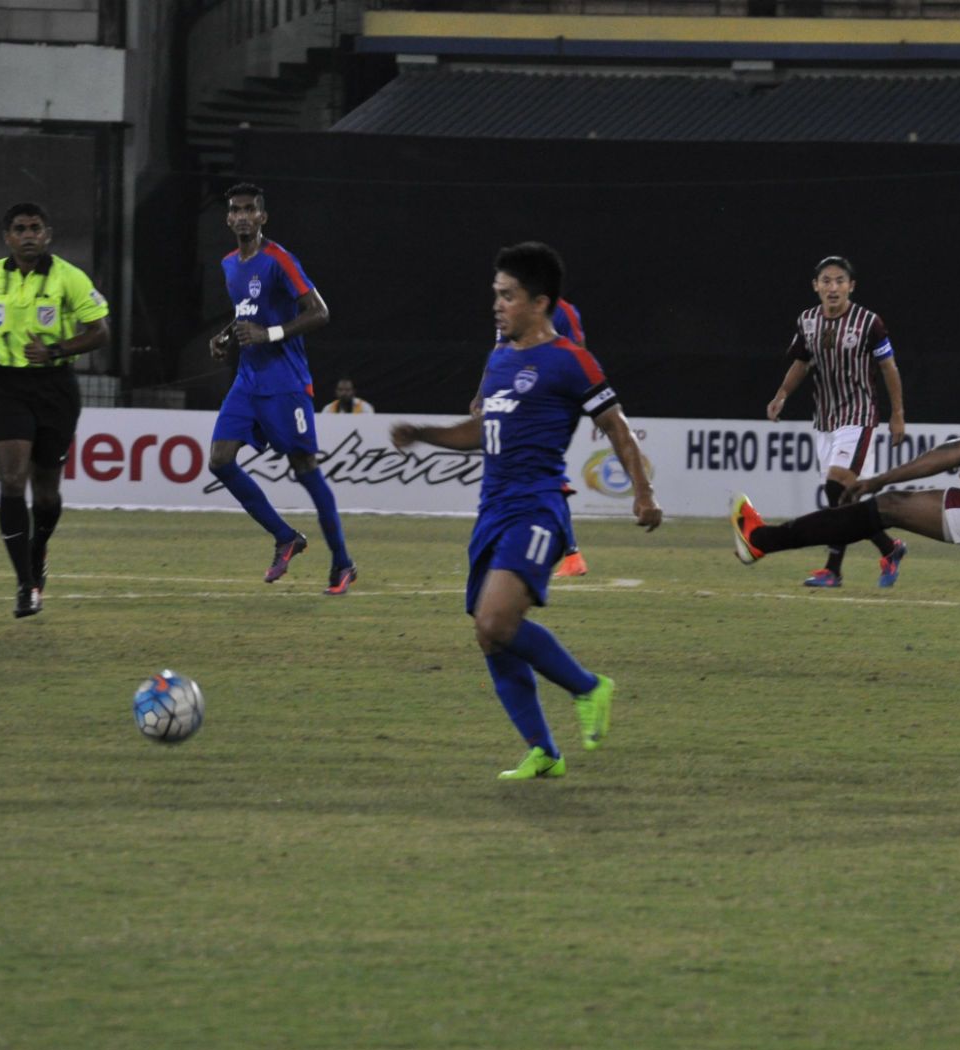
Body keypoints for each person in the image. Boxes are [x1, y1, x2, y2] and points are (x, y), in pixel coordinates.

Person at [734, 310, 960, 781]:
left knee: (892, 508)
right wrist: (880, 478)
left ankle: (762, 539)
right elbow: (956, 451)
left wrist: (885, 488)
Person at [391, 242, 661, 780]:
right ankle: (543, 751)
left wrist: (643, 492)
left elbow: (618, 428)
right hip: (492, 510)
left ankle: (590, 687)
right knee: (489, 634)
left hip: (537, 508)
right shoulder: (498, 358)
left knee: (497, 618)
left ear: (540, 303)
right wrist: (425, 434)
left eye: (508, 296)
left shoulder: (569, 361)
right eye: (495, 294)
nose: (497, 305)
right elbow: (481, 433)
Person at [206, 182, 355, 596]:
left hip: (286, 383)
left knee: (305, 470)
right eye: (235, 210)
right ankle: (285, 536)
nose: (241, 216)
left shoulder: (279, 259)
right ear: (228, 218)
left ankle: (342, 562)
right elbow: (245, 314)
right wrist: (225, 337)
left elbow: (319, 312)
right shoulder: (229, 264)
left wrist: (269, 333)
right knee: (219, 461)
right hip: (247, 382)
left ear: (262, 217)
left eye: (249, 209)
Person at [0, 202, 111, 618]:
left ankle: (38, 548)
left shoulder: (69, 278)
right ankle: (25, 584)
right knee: (12, 478)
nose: (28, 234)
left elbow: (100, 332)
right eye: (19, 228)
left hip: (55, 388)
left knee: (45, 492)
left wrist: (57, 350)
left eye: (35, 228)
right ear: (6, 237)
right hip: (7, 385)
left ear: (47, 235)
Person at [766, 255, 909, 589]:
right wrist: (782, 394)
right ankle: (888, 548)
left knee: (836, 486)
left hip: (859, 417)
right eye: (826, 281)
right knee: (842, 501)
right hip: (825, 421)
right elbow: (802, 362)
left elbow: (889, 368)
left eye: (839, 281)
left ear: (851, 286)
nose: (833, 287)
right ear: (816, 286)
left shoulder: (869, 323)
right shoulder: (808, 321)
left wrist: (897, 414)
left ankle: (834, 569)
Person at [474, 297, 591, 580]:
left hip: (547, 402)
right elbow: (499, 351)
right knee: (520, 472)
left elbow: (580, 355)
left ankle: (570, 553)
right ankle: (562, 552)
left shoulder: (562, 311)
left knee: (542, 473)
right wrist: (482, 393)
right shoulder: (512, 312)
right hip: (513, 398)